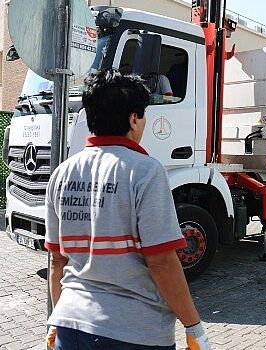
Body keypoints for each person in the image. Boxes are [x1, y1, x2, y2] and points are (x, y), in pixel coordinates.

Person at [44, 69, 211, 349]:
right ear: (134, 119)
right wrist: (194, 328)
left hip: (69, 327)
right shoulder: (145, 172)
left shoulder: (62, 174)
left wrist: (55, 320)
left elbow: (57, 262)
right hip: (133, 333)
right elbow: (162, 262)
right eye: (143, 115)